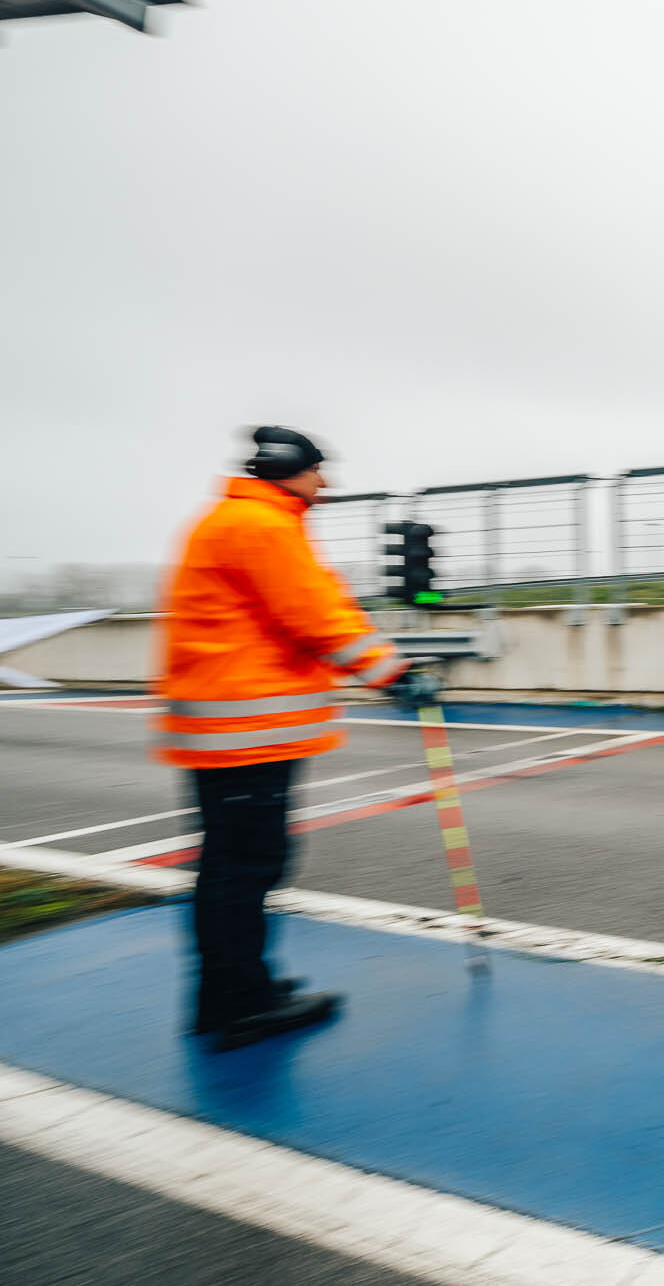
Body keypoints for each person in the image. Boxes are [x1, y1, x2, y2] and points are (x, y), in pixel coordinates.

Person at [157, 427, 409, 1050]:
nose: (326, 482)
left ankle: (227, 996)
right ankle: (242, 1007)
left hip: (230, 731)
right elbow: (315, 616)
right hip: (246, 734)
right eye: (319, 470)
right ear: (288, 467)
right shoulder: (261, 526)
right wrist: (394, 674)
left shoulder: (240, 520)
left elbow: (316, 606)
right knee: (245, 870)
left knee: (229, 868)